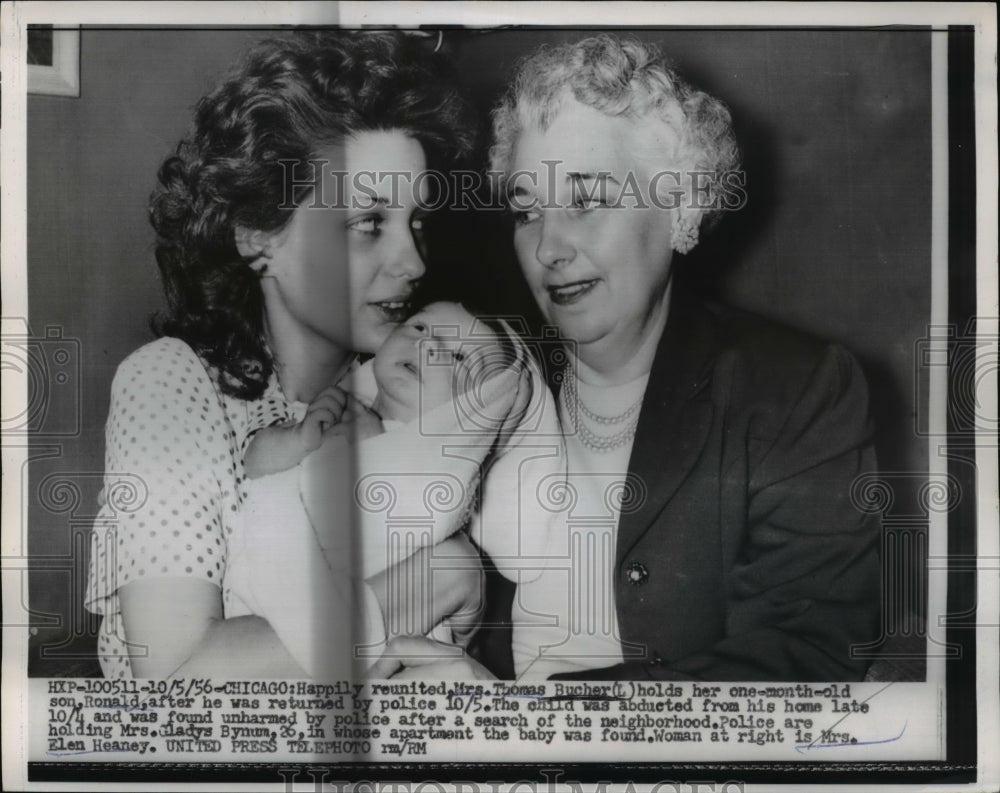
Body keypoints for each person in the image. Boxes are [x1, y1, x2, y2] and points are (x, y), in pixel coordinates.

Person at [380, 34, 881, 681]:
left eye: (586, 201)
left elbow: (807, 652)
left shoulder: (798, 388)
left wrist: (516, 717)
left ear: (679, 208)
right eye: (527, 211)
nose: (549, 247)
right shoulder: (484, 368)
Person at [85, 31, 483, 679]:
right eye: (368, 223)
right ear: (258, 234)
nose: (413, 261)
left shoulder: (414, 391)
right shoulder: (171, 386)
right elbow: (175, 679)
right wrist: (437, 577)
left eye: (417, 223)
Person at [232, 301, 562, 666]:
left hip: (374, 637)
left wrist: (370, 452)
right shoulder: (336, 406)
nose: (430, 346)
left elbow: (414, 521)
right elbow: (254, 467)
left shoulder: (446, 475)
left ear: (480, 407)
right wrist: (298, 437)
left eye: (458, 358)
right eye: (420, 328)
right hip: (263, 601)